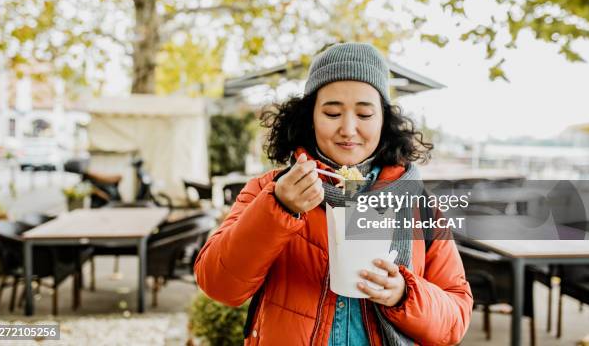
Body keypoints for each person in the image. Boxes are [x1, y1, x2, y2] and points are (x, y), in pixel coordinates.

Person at [194, 43, 473, 345]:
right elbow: (219, 285)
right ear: (309, 117)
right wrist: (279, 208)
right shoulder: (269, 190)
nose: (348, 129)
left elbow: (456, 317)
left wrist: (405, 295)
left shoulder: (419, 205)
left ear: (384, 121)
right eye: (332, 112)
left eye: (365, 114)